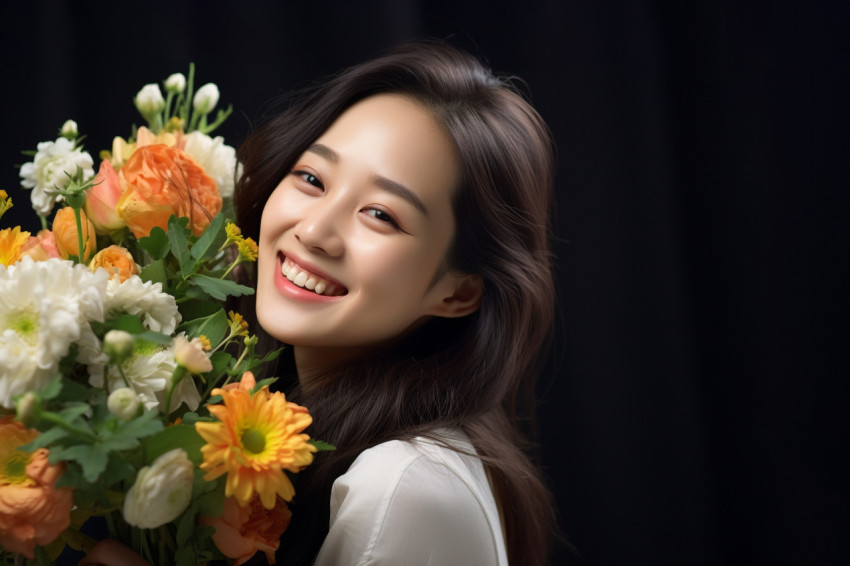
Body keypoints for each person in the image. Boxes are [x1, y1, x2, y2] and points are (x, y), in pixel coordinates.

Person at [85, 41, 557, 566]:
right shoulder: (291, 417)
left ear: (458, 292)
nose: (314, 231)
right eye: (311, 179)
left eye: (381, 214)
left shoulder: (402, 488)